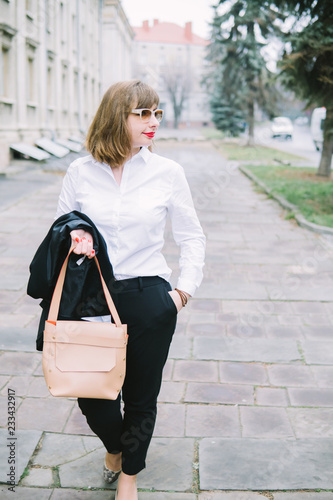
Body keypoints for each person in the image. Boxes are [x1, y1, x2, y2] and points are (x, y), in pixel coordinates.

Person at [55, 80, 205, 500]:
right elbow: (59, 231)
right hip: (91, 297)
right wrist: (74, 242)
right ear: (115, 116)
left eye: (156, 113)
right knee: (91, 395)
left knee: (141, 396)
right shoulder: (80, 171)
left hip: (148, 297)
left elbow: (192, 237)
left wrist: (181, 294)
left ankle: (129, 476)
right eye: (142, 113)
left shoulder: (167, 173)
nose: (153, 121)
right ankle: (116, 447)